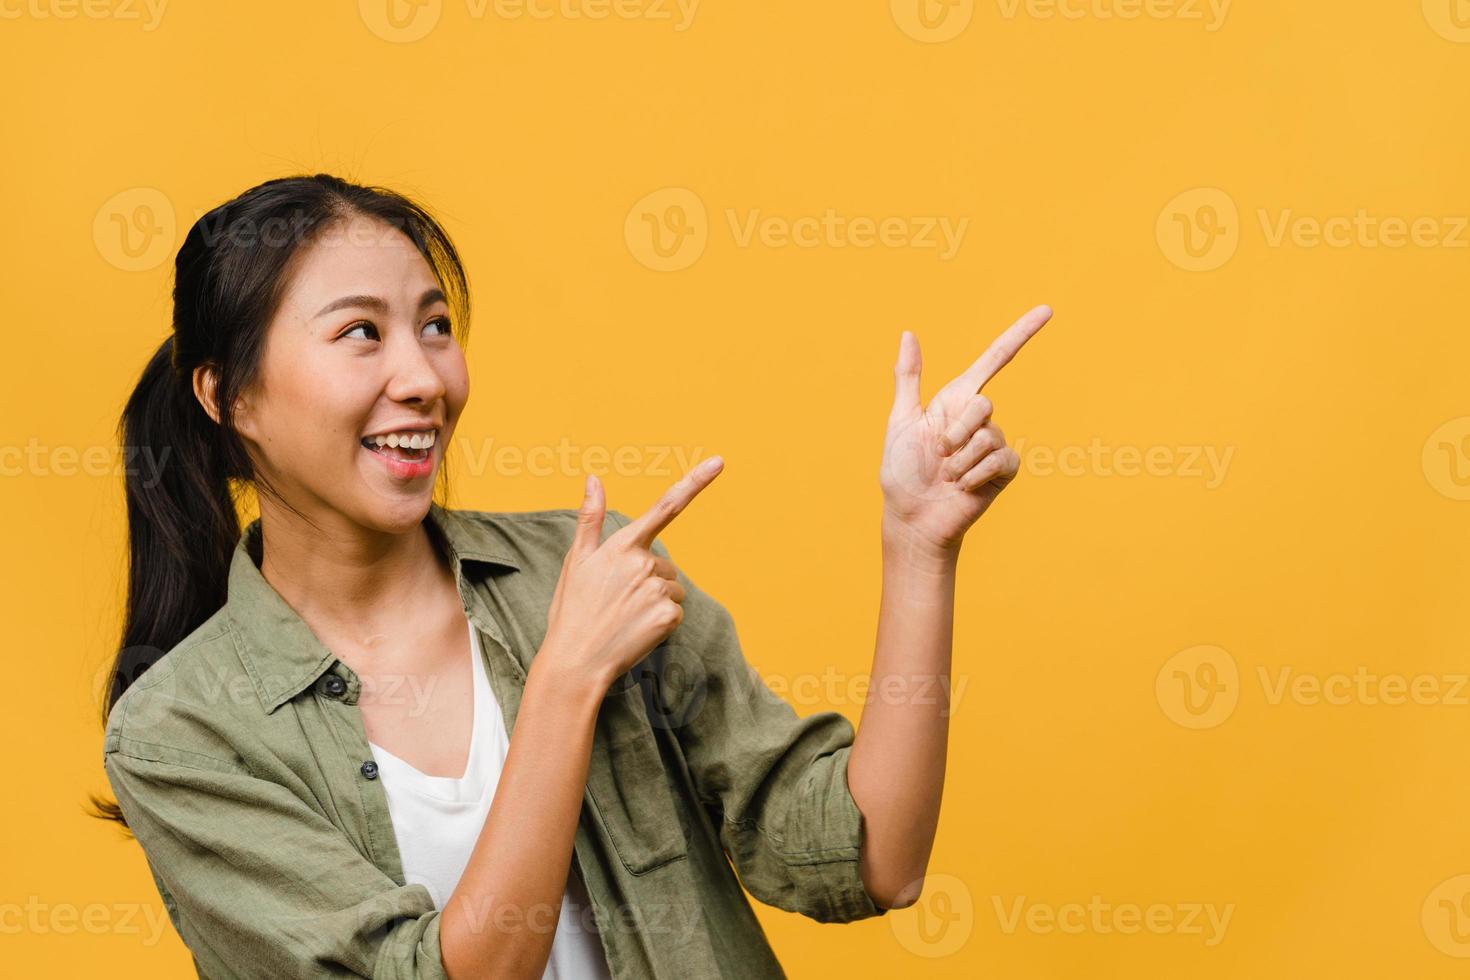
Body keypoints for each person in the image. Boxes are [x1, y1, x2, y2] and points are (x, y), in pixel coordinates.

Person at [89, 172, 1051, 978]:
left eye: (433, 325)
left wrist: (920, 546)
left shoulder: (583, 572)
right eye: (360, 334)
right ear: (230, 395)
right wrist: (565, 679)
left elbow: (872, 859)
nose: (424, 377)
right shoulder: (179, 733)